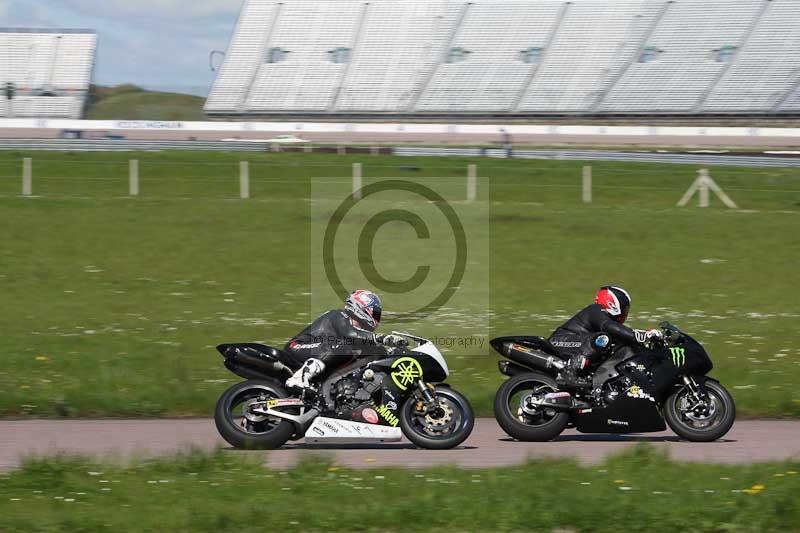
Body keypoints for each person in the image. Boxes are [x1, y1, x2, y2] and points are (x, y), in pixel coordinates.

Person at [284, 289, 405, 392]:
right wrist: (382, 338)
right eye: (376, 313)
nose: (377, 317)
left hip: (318, 353)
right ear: (362, 307)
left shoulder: (356, 332)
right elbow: (351, 334)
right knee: (345, 346)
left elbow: (377, 351)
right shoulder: (339, 315)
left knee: (375, 350)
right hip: (298, 347)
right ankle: (298, 379)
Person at [548, 286, 662, 388]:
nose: (625, 312)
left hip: (575, 343)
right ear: (613, 303)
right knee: (603, 338)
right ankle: (569, 372)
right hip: (560, 341)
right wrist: (639, 335)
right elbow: (609, 326)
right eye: (624, 307)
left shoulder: (603, 317)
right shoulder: (596, 310)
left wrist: (647, 337)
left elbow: (621, 334)